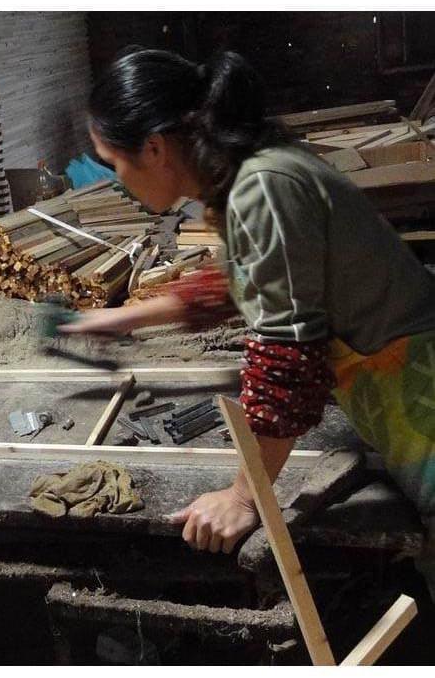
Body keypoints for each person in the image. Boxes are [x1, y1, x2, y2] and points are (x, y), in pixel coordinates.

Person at [60, 48, 435, 588]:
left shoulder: (263, 186)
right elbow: (245, 277)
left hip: (422, 393)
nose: (116, 181)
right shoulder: (253, 172)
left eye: (112, 162)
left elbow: (288, 357)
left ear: (155, 147)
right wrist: (125, 318)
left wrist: (243, 497)